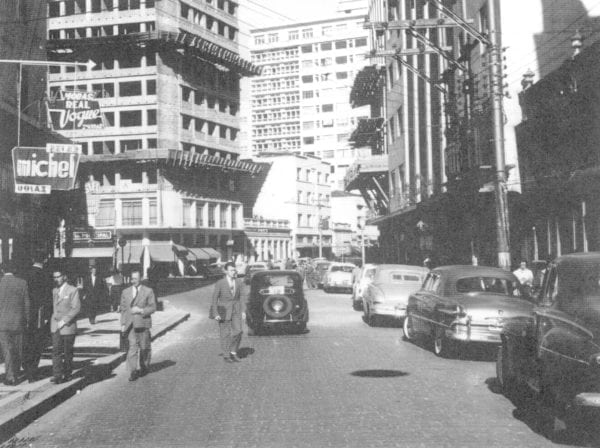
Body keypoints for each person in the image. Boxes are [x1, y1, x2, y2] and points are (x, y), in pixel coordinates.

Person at [120, 270, 156, 382]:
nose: (133, 281)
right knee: (132, 347)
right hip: (130, 324)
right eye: (132, 278)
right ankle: (133, 371)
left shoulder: (148, 291)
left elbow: (153, 307)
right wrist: (122, 324)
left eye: (135, 278)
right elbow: (123, 309)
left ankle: (144, 366)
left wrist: (141, 310)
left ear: (141, 278)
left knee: (144, 347)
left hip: (143, 323)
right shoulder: (125, 292)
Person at [23, 252, 53, 383]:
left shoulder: (26, 274)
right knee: (38, 343)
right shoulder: (46, 275)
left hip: (26, 313)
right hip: (40, 314)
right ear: (45, 260)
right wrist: (47, 315)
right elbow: (48, 297)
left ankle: (26, 368)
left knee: (27, 342)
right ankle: (33, 372)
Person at [0, 262, 30, 385]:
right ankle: (16, 373)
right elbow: (27, 304)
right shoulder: (22, 283)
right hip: (18, 322)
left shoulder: (0, 283)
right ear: (14, 270)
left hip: (2, 323)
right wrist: (27, 320)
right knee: (18, 350)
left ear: (2, 270)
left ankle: (11, 376)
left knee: (7, 350)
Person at [51, 267, 80, 384]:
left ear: (64, 277)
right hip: (56, 325)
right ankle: (57, 375)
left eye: (58, 276)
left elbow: (76, 308)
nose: (56, 279)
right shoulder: (54, 291)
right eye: (55, 277)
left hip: (68, 326)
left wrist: (64, 320)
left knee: (68, 352)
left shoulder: (73, 290)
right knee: (56, 351)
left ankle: (67, 373)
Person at [209, 262, 244, 363]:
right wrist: (215, 313)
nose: (234, 272)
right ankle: (226, 355)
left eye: (235, 270)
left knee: (239, 331)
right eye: (232, 270)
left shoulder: (239, 282)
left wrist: (243, 311)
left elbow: (242, 297)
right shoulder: (220, 283)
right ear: (226, 271)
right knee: (225, 334)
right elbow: (215, 298)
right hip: (224, 311)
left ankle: (233, 351)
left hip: (236, 310)